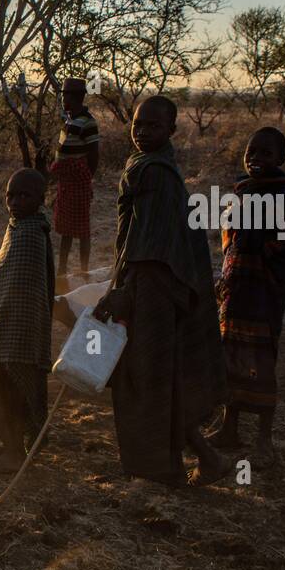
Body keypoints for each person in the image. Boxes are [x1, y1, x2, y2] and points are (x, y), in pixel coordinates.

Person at [94, 95, 228, 487]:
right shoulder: (150, 167)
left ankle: (161, 470)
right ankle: (200, 459)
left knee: (145, 378)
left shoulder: (155, 174)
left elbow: (149, 246)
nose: (142, 132)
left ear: (170, 130)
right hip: (153, 286)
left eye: (152, 126)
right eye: (137, 124)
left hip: (154, 289)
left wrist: (125, 293)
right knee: (155, 378)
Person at [210, 127, 285, 465]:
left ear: (281, 159)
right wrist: (227, 273)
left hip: (264, 292)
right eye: (251, 152)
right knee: (231, 357)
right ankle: (229, 428)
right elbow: (232, 241)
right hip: (236, 289)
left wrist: (262, 247)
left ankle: (264, 443)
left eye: (265, 154)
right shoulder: (242, 190)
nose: (256, 159)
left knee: (261, 362)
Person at [0, 168, 56, 472]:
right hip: (3, 327)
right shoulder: (15, 229)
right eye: (10, 195)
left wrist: (5, 322)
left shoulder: (33, 234)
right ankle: (11, 447)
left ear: (40, 199)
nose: (16, 201)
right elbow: (4, 281)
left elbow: (31, 290)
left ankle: (16, 454)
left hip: (22, 333)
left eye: (25, 195)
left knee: (15, 391)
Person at [50, 77, 100, 287]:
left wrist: (86, 177)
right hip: (66, 180)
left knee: (81, 228)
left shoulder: (87, 122)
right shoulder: (69, 119)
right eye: (62, 95)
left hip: (78, 180)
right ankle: (62, 269)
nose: (63, 99)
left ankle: (84, 268)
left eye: (66, 95)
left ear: (77, 97)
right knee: (65, 228)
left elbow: (93, 154)